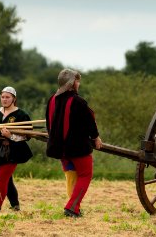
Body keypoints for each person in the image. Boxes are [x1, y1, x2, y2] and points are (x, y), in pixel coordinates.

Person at [45, 69, 103, 218]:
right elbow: (90, 122)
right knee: (85, 175)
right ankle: (72, 207)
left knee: (72, 176)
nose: (78, 84)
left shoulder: (52, 100)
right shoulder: (78, 101)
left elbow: (48, 124)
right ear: (71, 84)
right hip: (77, 149)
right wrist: (96, 138)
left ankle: (74, 206)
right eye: (77, 81)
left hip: (59, 149)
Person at [0, 86, 33, 212]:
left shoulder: (21, 114)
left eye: (8, 97)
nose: (5, 99)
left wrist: (10, 136)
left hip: (13, 151)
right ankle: (15, 205)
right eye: (2, 97)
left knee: (1, 178)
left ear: (14, 98)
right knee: (6, 180)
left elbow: (27, 135)